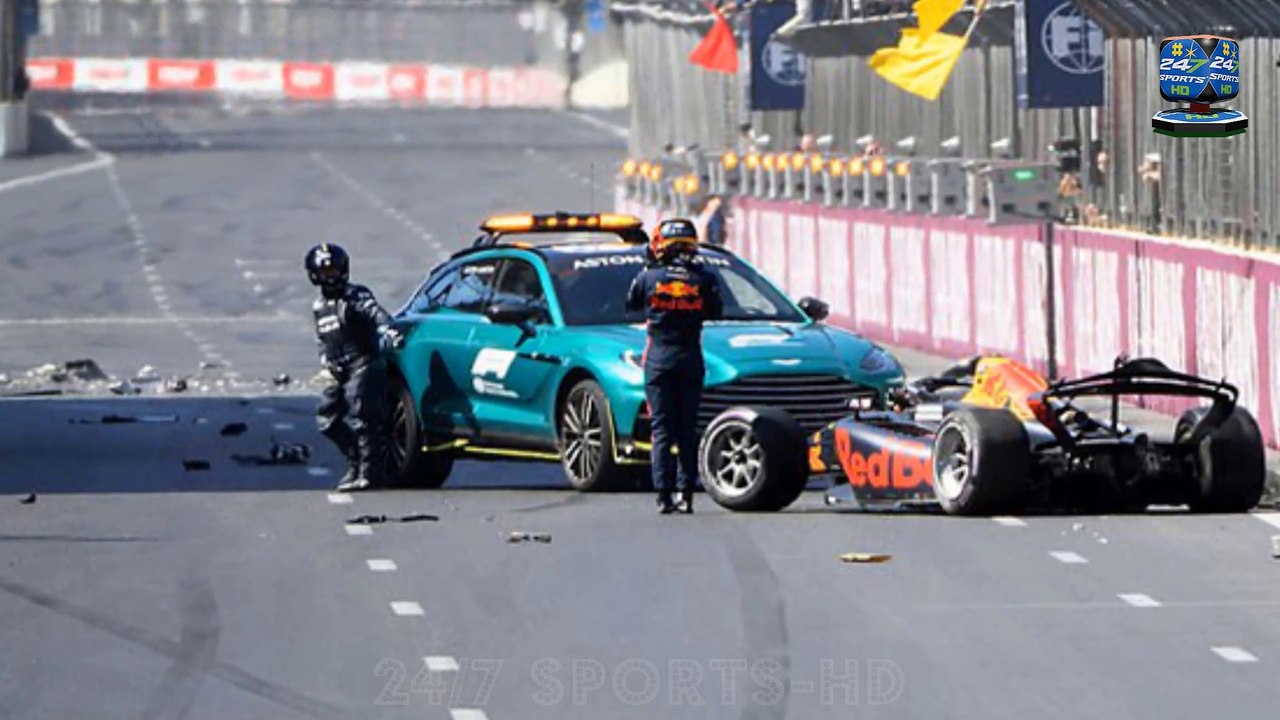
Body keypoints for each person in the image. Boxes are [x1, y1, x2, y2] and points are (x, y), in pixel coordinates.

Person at [626, 219, 724, 514]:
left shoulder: (647, 277)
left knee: (661, 430)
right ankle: (686, 494)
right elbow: (716, 311)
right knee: (686, 428)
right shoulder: (705, 278)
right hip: (690, 357)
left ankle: (663, 495)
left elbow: (630, 306)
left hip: (658, 358)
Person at [305, 243, 403, 492]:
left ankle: (370, 474)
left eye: (335, 271)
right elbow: (322, 338)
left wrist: (388, 327)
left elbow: (375, 312)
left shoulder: (356, 295)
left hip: (364, 362)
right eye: (325, 273)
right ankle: (355, 463)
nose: (331, 277)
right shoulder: (319, 307)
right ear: (314, 275)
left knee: (361, 416)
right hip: (338, 370)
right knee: (327, 419)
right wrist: (326, 361)